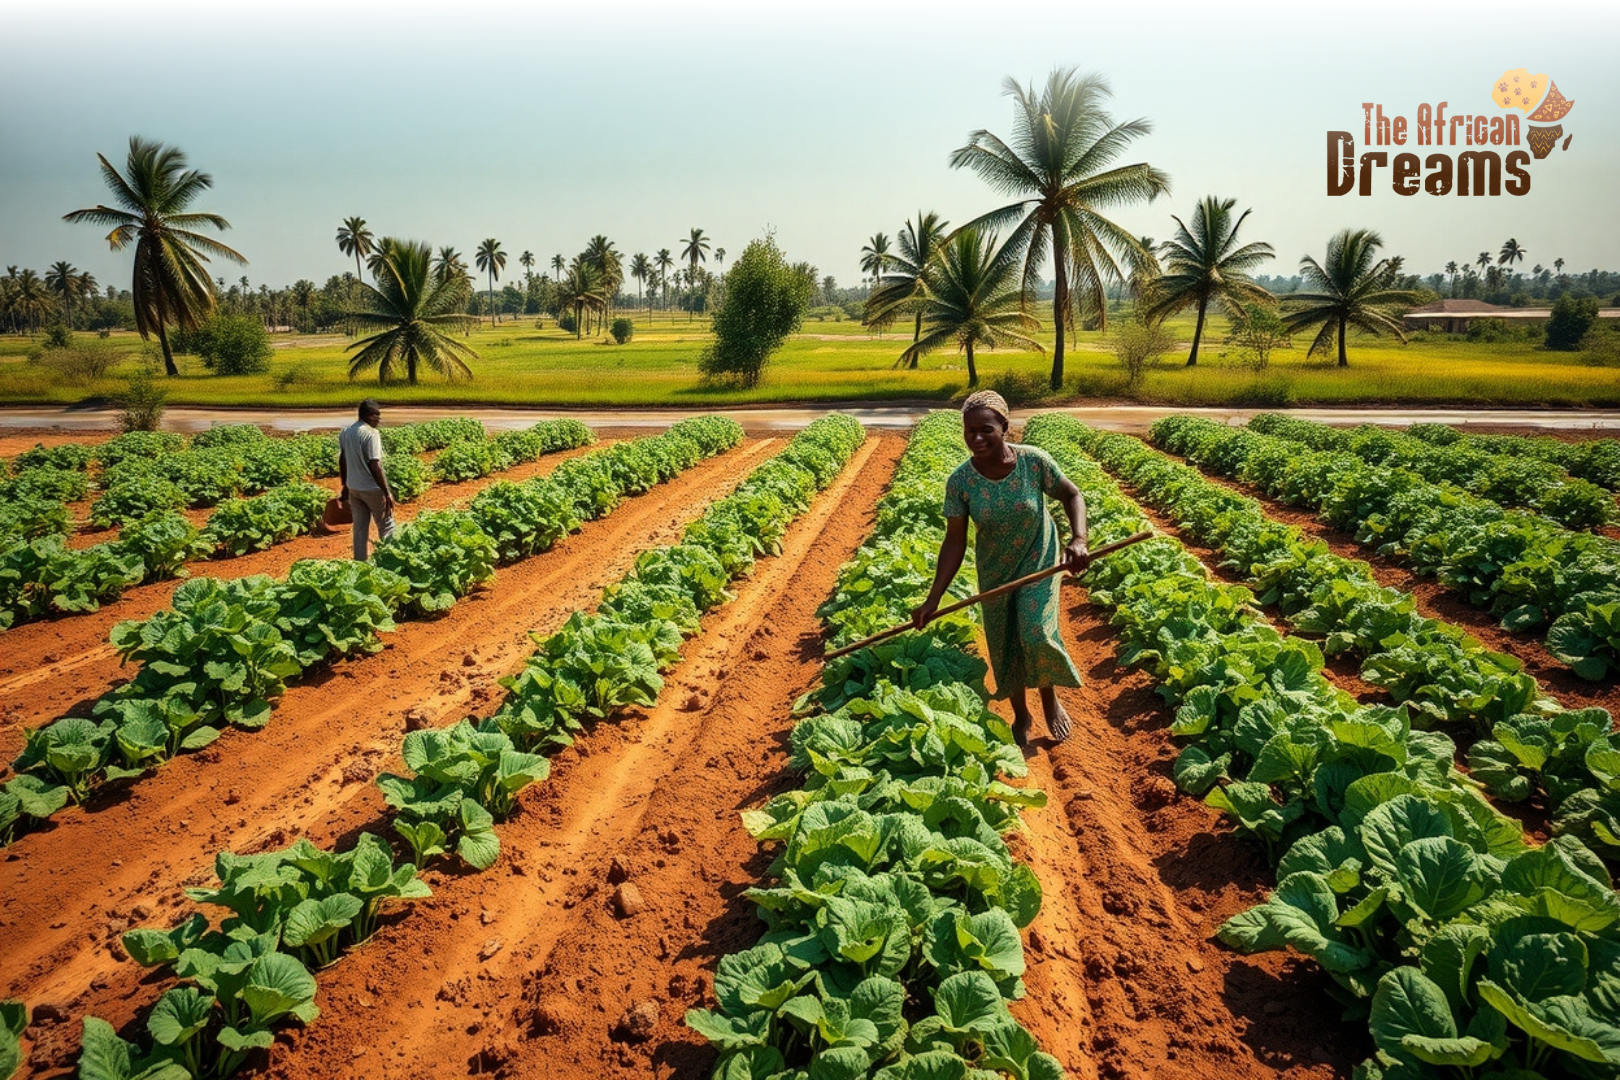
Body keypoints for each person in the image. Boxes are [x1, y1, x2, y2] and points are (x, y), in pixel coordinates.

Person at [911, 390, 1089, 747]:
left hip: (1038, 558)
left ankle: (1049, 697)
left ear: (1005, 427)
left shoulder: (1033, 462)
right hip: (995, 569)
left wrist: (1079, 539)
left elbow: (1072, 495)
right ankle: (1021, 713)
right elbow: (955, 542)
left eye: (986, 430)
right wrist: (933, 598)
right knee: (1005, 643)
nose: (976, 438)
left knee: (1035, 630)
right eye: (969, 431)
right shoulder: (960, 482)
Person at [337, 399, 396, 560]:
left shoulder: (346, 432)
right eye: (376, 415)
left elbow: (343, 460)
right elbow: (374, 465)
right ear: (367, 415)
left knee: (360, 529)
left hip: (354, 488)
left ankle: (360, 564)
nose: (378, 419)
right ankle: (392, 562)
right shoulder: (371, 434)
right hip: (372, 489)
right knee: (387, 526)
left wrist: (345, 485)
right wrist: (386, 492)